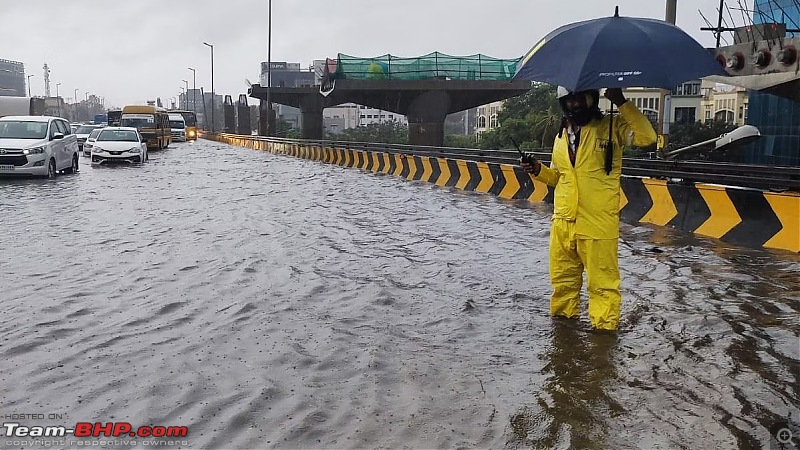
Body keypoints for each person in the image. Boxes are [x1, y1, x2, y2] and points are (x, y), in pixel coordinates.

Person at [520, 87, 657, 331]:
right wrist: (538, 170)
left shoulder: (612, 127)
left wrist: (622, 101)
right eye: (569, 100)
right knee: (562, 285)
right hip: (563, 223)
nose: (574, 104)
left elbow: (648, 138)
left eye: (579, 98)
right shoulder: (561, 136)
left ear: (592, 98)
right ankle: (564, 338)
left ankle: (603, 344)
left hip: (597, 225)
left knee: (603, 287)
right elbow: (559, 177)